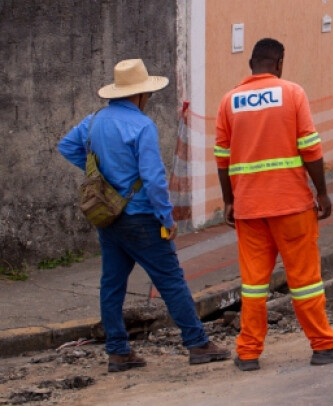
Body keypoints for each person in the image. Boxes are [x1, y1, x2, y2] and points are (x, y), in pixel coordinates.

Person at [58, 59, 230, 372]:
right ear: (138, 95)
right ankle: (197, 343)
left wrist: (96, 172)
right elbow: (153, 179)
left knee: (111, 285)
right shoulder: (141, 126)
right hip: (142, 218)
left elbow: (67, 146)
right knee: (171, 282)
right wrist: (167, 217)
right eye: (147, 94)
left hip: (109, 218)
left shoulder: (94, 121)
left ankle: (118, 351)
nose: (148, 99)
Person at [215, 38, 333, 371]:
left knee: (252, 285)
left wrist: (228, 201)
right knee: (305, 279)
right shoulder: (292, 93)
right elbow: (310, 148)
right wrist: (322, 193)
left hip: (249, 210)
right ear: (279, 63)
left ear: (251, 64)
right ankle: (323, 345)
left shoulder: (228, 102)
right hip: (291, 206)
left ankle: (248, 353)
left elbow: (221, 157)